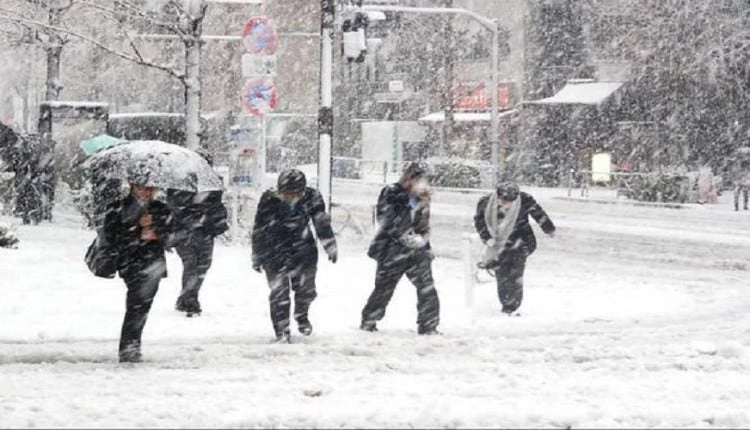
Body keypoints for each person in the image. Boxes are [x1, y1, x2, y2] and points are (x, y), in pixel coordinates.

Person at [251, 169, 338, 343]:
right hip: (274, 250)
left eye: (294, 193)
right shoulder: (269, 198)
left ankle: (301, 314)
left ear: (302, 191)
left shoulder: (312, 197)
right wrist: (257, 255)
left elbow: (321, 222)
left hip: (303, 249)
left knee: (306, 290)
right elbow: (259, 227)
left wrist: (329, 245)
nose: (289, 197)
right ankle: (282, 331)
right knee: (279, 293)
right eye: (286, 193)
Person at [360, 162, 440, 335]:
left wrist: (423, 240)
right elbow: (385, 219)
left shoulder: (423, 198)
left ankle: (429, 325)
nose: (425, 185)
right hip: (391, 250)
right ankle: (369, 320)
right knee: (384, 288)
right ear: (410, 179)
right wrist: (403, 236)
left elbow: (423, 224)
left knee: (427, 287)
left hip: (417, 251)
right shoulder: (392, 192)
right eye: (422, 181)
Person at [102, 176, 174, 363]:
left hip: (153, 262)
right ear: (133, 186)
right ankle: (129, 346)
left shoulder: (160, 208)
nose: (147, 192)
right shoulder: (118, 207)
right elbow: (111, 236)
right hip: (130, 261)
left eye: (152, 188)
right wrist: (136, 228)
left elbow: (173, 234)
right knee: (137, 303)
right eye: (143, 187)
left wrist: (157, 231)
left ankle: (131, 344)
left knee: (142, 305)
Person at [473, 182, 555, 316]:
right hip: (498, 244)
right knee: (502, 274)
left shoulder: (525, 200)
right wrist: (487, 238)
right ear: (497, 195)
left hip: (521, 241)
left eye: (510, 201)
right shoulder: (485, 202)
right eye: (504, 200)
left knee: (515, 273)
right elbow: (479, 221)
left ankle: (512, 306)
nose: (507, 204)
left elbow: (539, 214)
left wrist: (549, 229)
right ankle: (506, 303)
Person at [168, 189, 229, 316]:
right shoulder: (179, 189)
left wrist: (207, 217)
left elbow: (218, 208)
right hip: (185, 233)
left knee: (203, 266)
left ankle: (186, 297)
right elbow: (174, 210)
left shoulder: (211, 189)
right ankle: (190, 301)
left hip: (205, 232)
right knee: (191, 264)